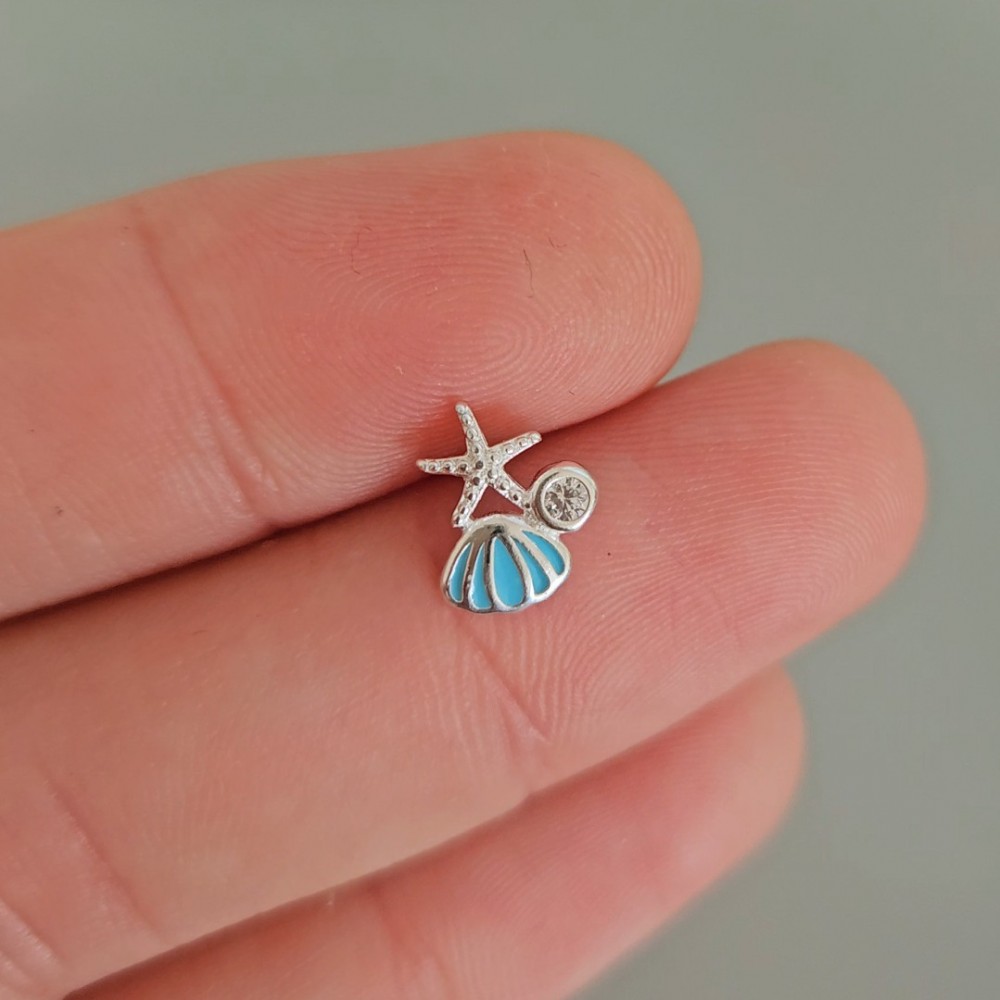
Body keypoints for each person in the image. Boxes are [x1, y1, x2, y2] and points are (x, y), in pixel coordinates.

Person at [0, 132, 925, 999]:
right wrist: (481, 477)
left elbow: (493, 495)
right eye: (560, 498)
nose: (560, 502)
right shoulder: (501, 488)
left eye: (563, 501)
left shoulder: (519, 510)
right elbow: (482, 486)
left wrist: (486, 482)